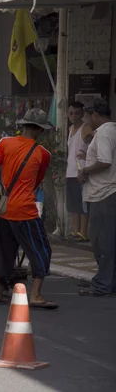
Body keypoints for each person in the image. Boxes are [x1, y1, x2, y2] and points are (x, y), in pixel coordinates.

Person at [0, 109, 57, 309]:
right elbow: (37, 181)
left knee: (4, 250)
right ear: (39, 130)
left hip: (4, 208)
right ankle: (36, 294)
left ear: (23, 126)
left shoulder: (5, 143)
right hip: (25, 211)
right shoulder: (43, 154)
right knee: (41, 251)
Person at [78, 98, 116, 297]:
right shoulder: (111, 130)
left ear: (96, 115)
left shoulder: (103, 134)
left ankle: (102, 284)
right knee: (108, 239)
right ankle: (109, 282)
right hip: (108, 191)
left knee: (102, 240)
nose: (87, 121)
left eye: (88, 116)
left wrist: (85, 171)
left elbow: (105, 161)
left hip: (104, 192)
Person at [65, 101, 93, 242]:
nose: (74, 116)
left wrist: (88, 156)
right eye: (71, 113)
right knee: (73, 204)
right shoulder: (70, 129)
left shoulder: (86, 128)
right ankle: (75, 231)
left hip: (81, 171)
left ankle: (83, 232)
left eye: (77, 113)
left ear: (82, 113)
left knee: (83, 203)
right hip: (70, 171)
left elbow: (98, 141)